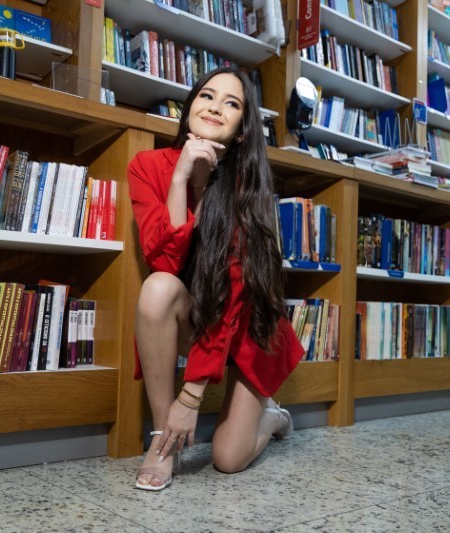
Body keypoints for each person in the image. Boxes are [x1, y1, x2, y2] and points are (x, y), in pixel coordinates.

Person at [127, 67, 305, 491]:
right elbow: (164, 263)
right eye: (207, 96)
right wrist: (181, 178)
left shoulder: (248, 187)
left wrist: (191, 397)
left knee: (228, 459)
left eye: (232, 103)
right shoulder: (147, 166)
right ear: (190, 106)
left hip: (248, 327)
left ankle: (272, 415)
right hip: (196, 314)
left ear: (242, 130)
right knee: (157, 288)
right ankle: (163, 440)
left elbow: (235, 295)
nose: (215, 107)